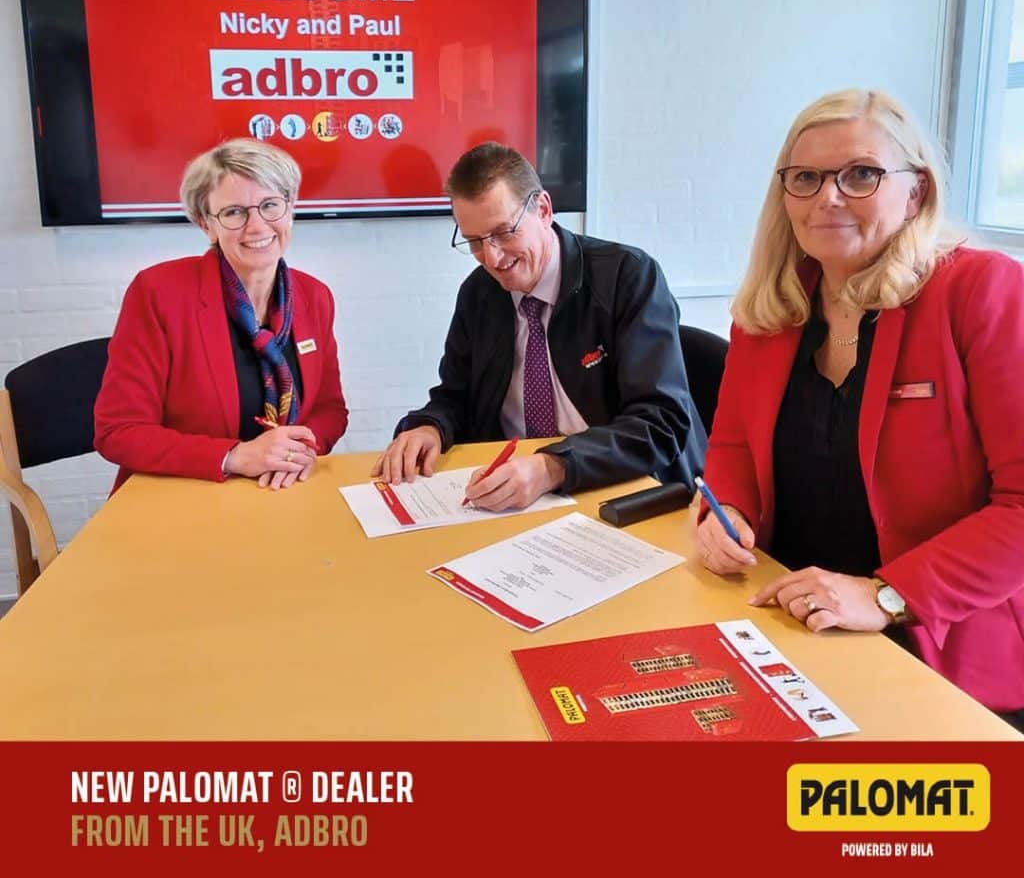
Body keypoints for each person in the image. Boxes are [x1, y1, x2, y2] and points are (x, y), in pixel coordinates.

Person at [695, 88, 1024, 725]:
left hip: (936, 644)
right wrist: (726, 512)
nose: (828, 197)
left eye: (861, 174)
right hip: (790, 621)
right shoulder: (771, 309)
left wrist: (886, 596)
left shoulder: (981, 291)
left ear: (916, 192)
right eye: (806, 178)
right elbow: (732, 445)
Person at [372, 141, 705, 509]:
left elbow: (661, 422)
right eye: (475, 242)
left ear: (543, 210)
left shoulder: (627, 277)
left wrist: (553, 467)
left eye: (504, 232)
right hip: (517, 492)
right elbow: (457, 396)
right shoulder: (479, 294)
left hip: (622, 489)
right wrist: (431, 426)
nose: (492, 258)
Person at [95, 139, 348, 491]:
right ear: (206, 224)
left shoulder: (314, 296)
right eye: (234, 212)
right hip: (182, 496)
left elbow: (329, 410)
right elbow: (118, 431)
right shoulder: (158, 293)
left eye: (270, 205)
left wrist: (297, 450)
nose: (257, 226)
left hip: (281, 491)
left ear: (290, 208)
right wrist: (235, 456)